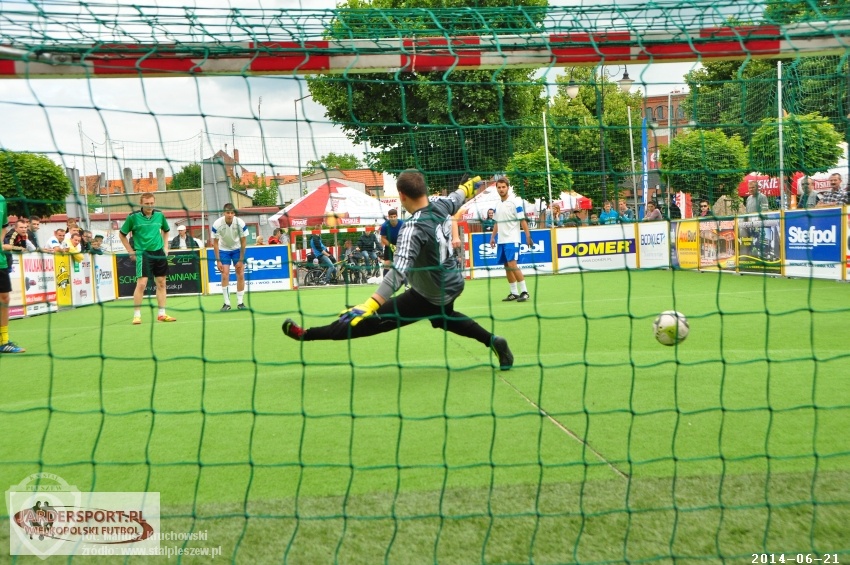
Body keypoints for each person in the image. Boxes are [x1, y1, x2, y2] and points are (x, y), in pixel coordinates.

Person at [282, 170, 514, 371]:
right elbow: (457, 197)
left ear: (402, 196)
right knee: (444, 318)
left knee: (367, 321)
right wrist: (468, 187)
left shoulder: (412, 228)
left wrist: (371, 303)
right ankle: (494, 341)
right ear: (424, 190)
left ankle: (306, 334)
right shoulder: (441, 205)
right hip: (452, 282)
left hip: (430, 293)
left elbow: (399, 272)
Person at [119, 192, 176, 325]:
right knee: (142, 284)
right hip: (143, 253)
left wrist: (165, 247)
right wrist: (130, 251)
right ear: (141, 203)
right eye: (146, 204)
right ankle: (137, 315)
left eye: (151, 203)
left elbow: (166, 230)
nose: (149, 206)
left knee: (161, 283)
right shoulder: (133, 217)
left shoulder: (160, 215)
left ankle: (161, 314)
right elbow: (122, 235)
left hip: (159, 252)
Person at [490, 176, 533, 303]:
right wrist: (492, 237)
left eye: (503, 187)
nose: (501, 189)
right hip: (501, 240)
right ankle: (514, 292)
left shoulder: (515, 202)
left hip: (512, 239)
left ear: (508, 188)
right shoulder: (497, 205)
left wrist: (528, 236)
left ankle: (524, 292)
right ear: (496, 189)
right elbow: (497, 222)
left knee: (512, 265)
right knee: (507, 266)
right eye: (499, 187)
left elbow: (522, 220)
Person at [212, 203, 248, 311]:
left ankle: (240, 303)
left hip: (237, 249)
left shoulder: (240, 223)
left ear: (234, 213)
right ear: (224, 213)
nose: (230, 215)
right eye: (228, 212)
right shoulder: (217, 224)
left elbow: (243, 242)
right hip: (224, 249)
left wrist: (241, 260)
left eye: (232, 213)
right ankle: (226, 303)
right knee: (224, 275)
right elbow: (215, 243)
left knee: (240, 274)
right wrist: (218, 261)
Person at [0, 194, 25, 352]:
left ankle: (3, 341)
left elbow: (4, 226)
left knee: (4, 297)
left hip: (0, 259)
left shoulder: (1, 200)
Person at [380, 209, 404, 276]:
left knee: (402, 263)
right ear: (388, 217)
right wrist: (391, 246)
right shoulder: (384, 226)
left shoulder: (402, 224)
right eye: (391, 217)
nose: (393, 218)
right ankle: (385, 281)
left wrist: (399, 245)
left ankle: (405, 281)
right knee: (387, 264)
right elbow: (383, 238)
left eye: (394, 216)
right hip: (389, 245)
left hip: (401, 244)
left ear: (397, 216)